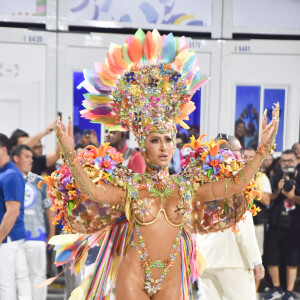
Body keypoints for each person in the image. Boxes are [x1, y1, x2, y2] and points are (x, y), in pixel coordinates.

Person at [47, 29, 279, 300]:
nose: (164, 146)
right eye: (155, 140)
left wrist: (262, 149)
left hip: (172, 276)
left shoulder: (187, 187)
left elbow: (237, 184)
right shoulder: (130, 186)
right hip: (133, 273)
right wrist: (70, 155)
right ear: (143, 147)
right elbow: (93, 192)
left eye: (168, 139)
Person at [196, 136, 264, 300]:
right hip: (232, 261)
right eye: (238, 151)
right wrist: (256, 260)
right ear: (226, 153)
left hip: (204, 260)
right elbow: (244, 226)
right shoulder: (236, 181)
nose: (241, 156)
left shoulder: (200, 179)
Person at [12, 144, 55, 300]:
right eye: (27, 157)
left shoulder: (40, 181)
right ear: (16, 158)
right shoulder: (7, 179)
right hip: (14, 237)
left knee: (38, 276)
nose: (31, 160)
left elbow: (49, 208)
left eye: (32, 157)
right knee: (20, 277)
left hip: (37, 235)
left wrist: (52, 233)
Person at [263, 150, 300, 300]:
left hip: (294, 224)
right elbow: (268, 199)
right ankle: (277, 287)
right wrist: (278, 190)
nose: (286, 163)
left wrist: (291, 196)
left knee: (292, 259)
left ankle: (289, 291)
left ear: (296, 161)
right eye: (284, 160)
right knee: (272, 258)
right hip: (275, 223)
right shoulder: (276, 176)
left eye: (290, 160)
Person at [0, 133, 25, 300]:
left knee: (5, 282)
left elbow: (13, 211)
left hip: (7, 239)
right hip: (7, 238)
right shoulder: (5, 172)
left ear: (3, 150)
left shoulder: (10, 174)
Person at [243, 147, 272, 293]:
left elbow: (267, 200)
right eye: (245, 156)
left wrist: (250, 191)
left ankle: (253, 292)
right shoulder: (235, 175)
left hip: (257, 223)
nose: (247, 160)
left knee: (256, 257)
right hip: (238, 225)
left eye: (250, 157)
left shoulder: (261, 177)